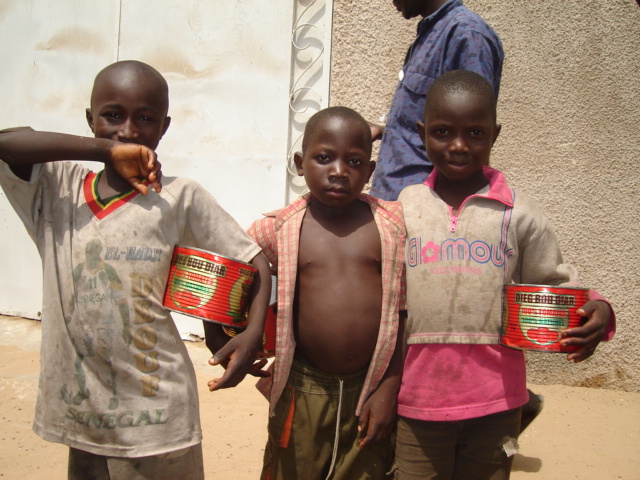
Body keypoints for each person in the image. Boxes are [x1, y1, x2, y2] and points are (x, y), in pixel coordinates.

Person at [0, 60, 271, 480]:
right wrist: (104, 151)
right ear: (90, 120)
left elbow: (253, 261)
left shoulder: (178, 196)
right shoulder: (58, 189)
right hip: (84, 412)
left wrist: (248, 333)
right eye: (112, 115)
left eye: (145, 118)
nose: (127, 130)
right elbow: (7, 143)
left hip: (159, 417)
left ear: (164, 127)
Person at [394, 70, 615, 479]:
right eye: (443, 131)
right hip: (417, 397)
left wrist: (596, 308)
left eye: (475, 133)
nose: (459, 145)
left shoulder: (519, 214)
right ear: (423, 133)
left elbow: (555, 282)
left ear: (494, 135)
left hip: (496, 399)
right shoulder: (404, 208)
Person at [248, 106, 407, 480]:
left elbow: (403, 313)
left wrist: (389, 389)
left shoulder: (392, 227)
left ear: (369, 172)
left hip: (370, 388)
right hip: (302, 388)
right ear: (301, 163)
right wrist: (227, 336)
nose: (339, 171)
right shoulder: (280, 227)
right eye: (324, 158)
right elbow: (235, 264)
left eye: (354, 161)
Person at [369, 0, 504, 202]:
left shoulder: (466, 36)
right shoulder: (431, 32)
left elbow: (473, 138)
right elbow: (433, 127)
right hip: (396, 204)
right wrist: (385, 131)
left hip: (427, 214)